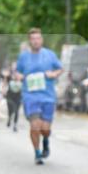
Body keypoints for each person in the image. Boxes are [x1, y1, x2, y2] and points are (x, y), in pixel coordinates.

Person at [16, 28, 63, 164]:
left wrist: (53, 74)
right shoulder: (24, 57)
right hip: (30, 96)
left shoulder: (50, 55)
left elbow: (60, 68)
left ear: (41, 40)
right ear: (29, 41)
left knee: (45, 129)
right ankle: (37, 153)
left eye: (38, 38)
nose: (36, 41)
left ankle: (46, 140)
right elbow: (18, 72)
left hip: (48, 96)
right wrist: (19, 76)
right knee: (35, 125)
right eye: (33, 39)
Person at [5, 63, 23, 132]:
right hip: (10, 96)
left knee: (16, 110)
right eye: (14, 68)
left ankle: (15, 125)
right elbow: (5, 83)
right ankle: (9, 118)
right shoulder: (9, 76)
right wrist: (3, 90)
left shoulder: (21, 76)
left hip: (18, 97)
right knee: (10, 110)